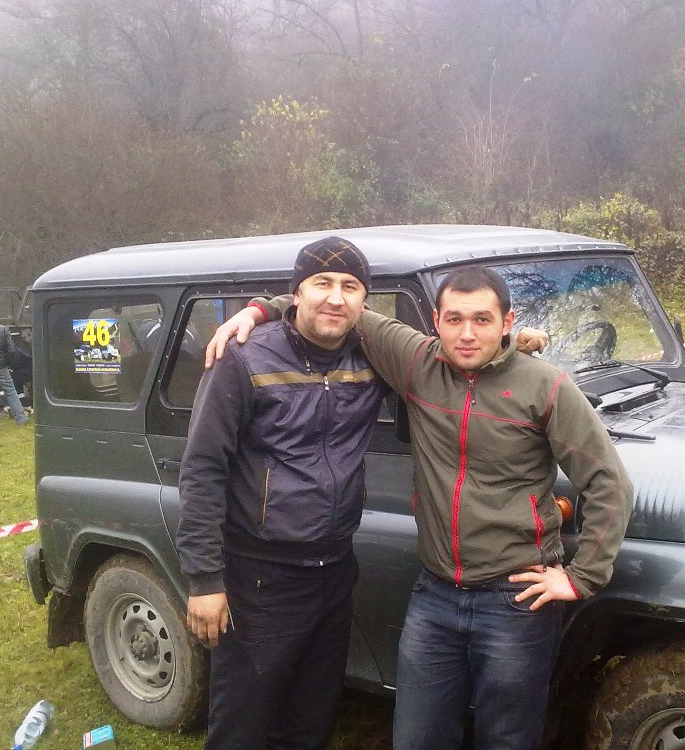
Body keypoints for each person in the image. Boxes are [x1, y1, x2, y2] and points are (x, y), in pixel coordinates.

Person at [208, 265, 634, 750]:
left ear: (507, 321)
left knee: (509, 738)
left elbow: (609, 480)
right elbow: (336, 304)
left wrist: (581, 577)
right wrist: (259, 310)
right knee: (416, 737)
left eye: (482, 319)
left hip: (515, 600)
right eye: (454, 319)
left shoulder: (545, 386)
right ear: (436, 321)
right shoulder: (417, 362)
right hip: (435, 596)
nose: (467, 333)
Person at [176, 237, 390, 750]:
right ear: (297, 292)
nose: (335, 297)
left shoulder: (373, 356)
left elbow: (450, 352)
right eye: (322, 283)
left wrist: (514, 345)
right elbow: (203, 468)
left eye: (350, 286)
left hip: (335, 569)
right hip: (260, 576)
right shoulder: (243, 357)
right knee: (243, 719)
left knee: (312, 716)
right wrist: (205, 579)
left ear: (364, 301)